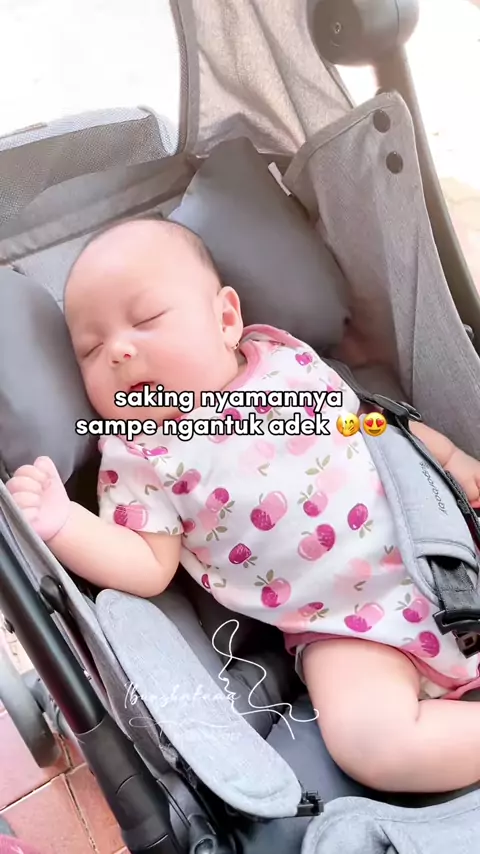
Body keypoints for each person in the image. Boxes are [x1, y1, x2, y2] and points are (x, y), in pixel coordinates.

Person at [6, 218, 480, 795]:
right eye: (91, 349)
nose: (120, 351)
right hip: (346, 630)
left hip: (437, 540)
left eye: (147, 320)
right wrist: (64, 523)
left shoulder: (282, 363)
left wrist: (450, 458)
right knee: (370, 742)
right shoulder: (141, 454)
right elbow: (147, 566)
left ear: (226, 320)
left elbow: (371, 425)